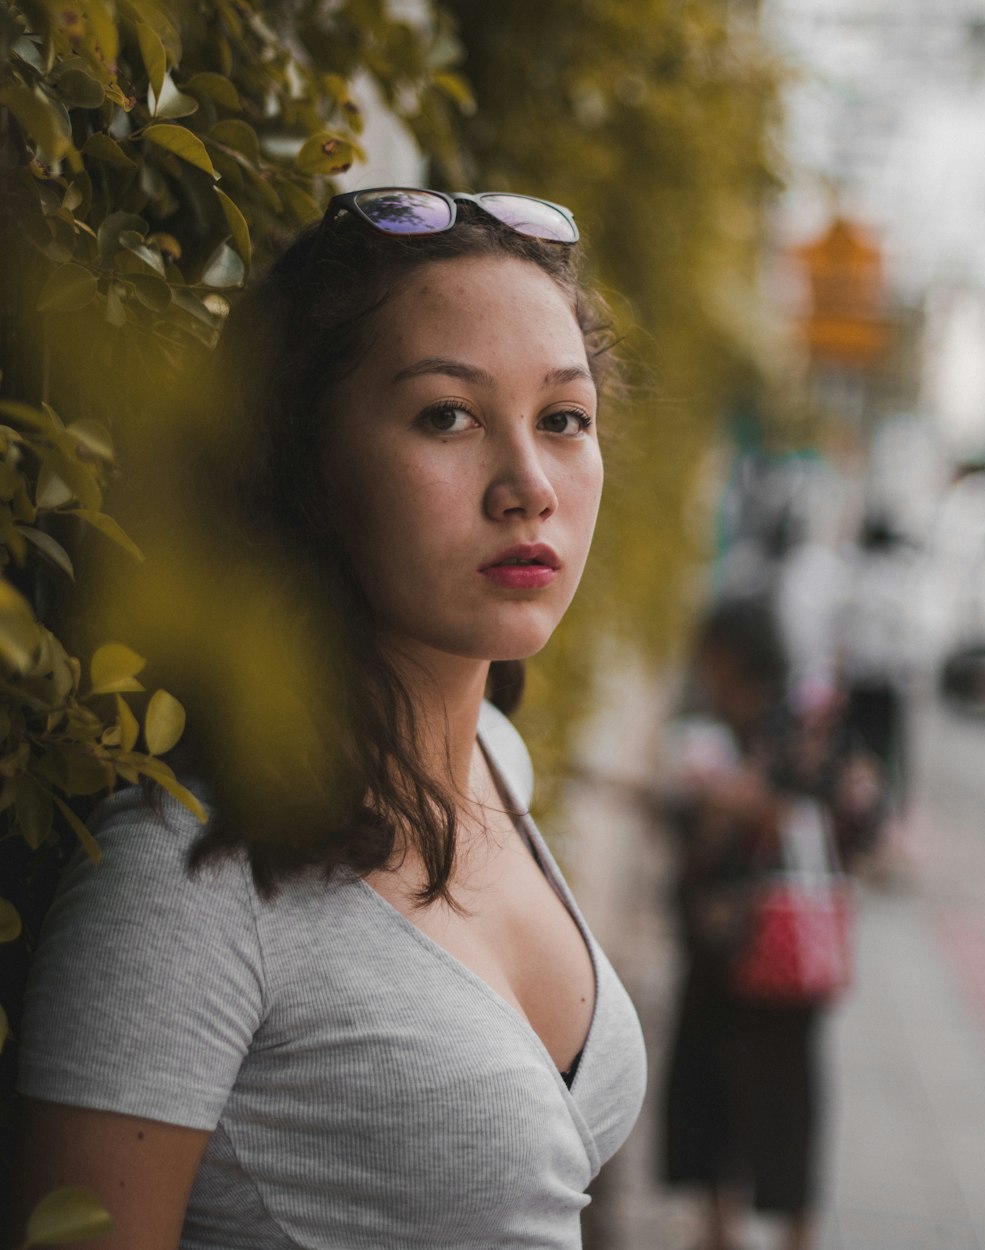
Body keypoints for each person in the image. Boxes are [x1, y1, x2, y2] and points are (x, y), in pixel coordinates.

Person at [10, 189, 647, 1250]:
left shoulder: (494, 759)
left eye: (562, 418)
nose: (528, 485)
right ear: (303, 466)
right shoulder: (186, 891)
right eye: (446, 414)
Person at [658, 596, 881, 1250]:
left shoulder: (808, 725)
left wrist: (762, 808)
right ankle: (717, 1231)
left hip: (781, 950)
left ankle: (794, 1236)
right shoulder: (711, 724)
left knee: (784, 1103)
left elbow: (861, 813)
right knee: (705, 1088)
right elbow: (684, 818)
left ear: (729, 656)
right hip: (715, 945)